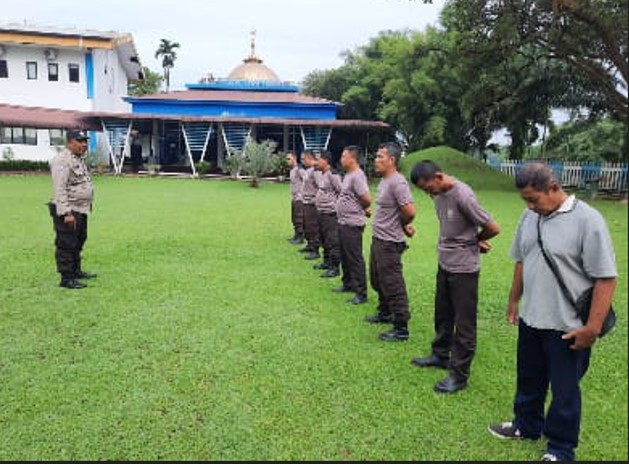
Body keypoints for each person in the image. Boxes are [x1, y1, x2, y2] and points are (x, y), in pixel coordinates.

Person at [488, 163, 617, 462]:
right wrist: (513, 300)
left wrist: (592, 328)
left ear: (554, 188)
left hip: (568, 325)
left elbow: (606, 278)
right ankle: (526, 425)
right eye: (525, 201)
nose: (530, 206)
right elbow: (522, 259)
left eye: (534, 199)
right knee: (529, 379)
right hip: (532, 318)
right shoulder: (529, 216)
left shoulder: (588, 221)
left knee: (564, 391)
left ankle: (560, 448)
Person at [409, 160, 500, 394]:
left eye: (429, 188)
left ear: (439, 177)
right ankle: (440, 355)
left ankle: (459, 375)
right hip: (445, 262)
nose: (428, 193)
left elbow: (493, 227)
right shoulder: (437, 194)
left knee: (464, 322)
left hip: (464, 269)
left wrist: (476, 240)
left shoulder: (463, 195)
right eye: (424, 190)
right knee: (443, 313)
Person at [365, 142, 416, 342]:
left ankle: (401, 327)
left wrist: (402, 225)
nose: (376, 160)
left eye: (380, 157)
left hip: (389, 242)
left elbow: (410, 211)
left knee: (393, 283)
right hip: (379, 237)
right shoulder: (385, 181)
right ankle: (385, 311)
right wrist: (402, 224)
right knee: (377, 279)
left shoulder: (398, 182)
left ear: (392, 160)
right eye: (376, 156)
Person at [47, 129, 97, 289]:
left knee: (79, 240)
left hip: (81, 208)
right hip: (69, 209)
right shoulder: (62, 160)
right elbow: (60, 188)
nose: (84, 144)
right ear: (69, 142)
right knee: (66, 243)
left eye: (85, 141)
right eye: (79, 141)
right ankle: (66, 277)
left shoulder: (77, 158)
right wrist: (66, 213)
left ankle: (76, 270)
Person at [334, 145, 371, 305]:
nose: (341, 159)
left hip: (352, 222)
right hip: (343, 221)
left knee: (354, 257)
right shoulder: (349, 175)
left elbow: (366, 199)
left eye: (344, 156)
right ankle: (347, 283)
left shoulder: (357, 176)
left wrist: (360, 209)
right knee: (345, 254)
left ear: (352, 159)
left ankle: (360, 292)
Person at [314, 150, 342, 278]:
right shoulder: (323, 174)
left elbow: (342, 192)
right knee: (323, 238)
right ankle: (326, 262)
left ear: (326, 161)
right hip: (322, 212)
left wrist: (336, 207)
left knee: (332, 241)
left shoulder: (333, 175)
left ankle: (334, 267)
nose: (316, 162)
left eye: (318, 159)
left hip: (331, 213)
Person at [299, 150, 322, 261]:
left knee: (313, 227)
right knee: (307, 226)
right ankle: (310, 245)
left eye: (304, 159)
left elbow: (320, 187)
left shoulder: (316, 171)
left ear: (310, 158)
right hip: (306, 202)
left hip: (312, 203)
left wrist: (315, 201)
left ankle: (315, 249)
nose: (302, 161)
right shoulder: (309, 170)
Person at [286, 152, 306, 245]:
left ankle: (300, 237)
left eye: (289, 159)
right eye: (287, 159)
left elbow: (306, 180)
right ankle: (296, 235)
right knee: (294, 218)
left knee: (299, 218)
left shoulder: (299, 169)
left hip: (300, 198)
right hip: (293, 197)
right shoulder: (292, 170)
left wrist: (302, 193)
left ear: (294, 158)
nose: (287, 161)